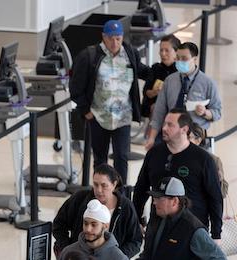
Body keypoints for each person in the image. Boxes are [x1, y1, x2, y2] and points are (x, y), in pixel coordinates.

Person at [69, 19, 150, 183]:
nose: (115, 42)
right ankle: (101, 193)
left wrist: (162, 73)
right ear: (103, 37)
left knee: (122, 156)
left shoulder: (129, 53)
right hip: (98, 116)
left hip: (123, 116)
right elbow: (75, 87)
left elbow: (141, 71)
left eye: (118, 38)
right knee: (100, 160)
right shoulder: (89, 56)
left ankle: (122, 195)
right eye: (111, 38)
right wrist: (86, 110)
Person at [133, 109, 223, 241]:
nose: (164, 128)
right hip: (158, 228)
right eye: (164, 124)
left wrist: (216, 234)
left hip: (193, 230)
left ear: (184, 129)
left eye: (170, 125)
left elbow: (215, 197)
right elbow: (141, 189)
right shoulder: (154, 154)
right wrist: (136, 221)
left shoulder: (203, 159)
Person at [52, 164, 143, 259]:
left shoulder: (126, 207)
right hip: (79, 258)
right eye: (95, 185)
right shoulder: (79, 199)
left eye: (104, 186)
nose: (99, 190)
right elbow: (59, 225)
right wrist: (68, 249)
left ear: (114, 184)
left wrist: (118, 257)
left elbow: (135, 240)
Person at [145, 42, 222, 151]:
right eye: (178, 58)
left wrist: (205, 112)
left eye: (184, 58)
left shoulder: (207, 83)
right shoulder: (170, 80)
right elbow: (159, 111)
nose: (180, 61)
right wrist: (151, 137)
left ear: (194, 59)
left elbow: (217, 112)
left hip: (194, 137)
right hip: (171, 135)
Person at [140, 35, 181, 136]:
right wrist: (156, 91)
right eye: (161, 50)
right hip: (155, 111)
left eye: (167, 50)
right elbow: (147, 92)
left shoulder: (181, 72)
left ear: (176, 53)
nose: (163, 54)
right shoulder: (155, 69)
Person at [188, 123, 228, 199]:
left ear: (198, 141)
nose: (184, 141)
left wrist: (219, 181)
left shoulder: (213, 160)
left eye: (188, 138)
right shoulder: (175, 157)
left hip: (203, 207)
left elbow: (223, 193)